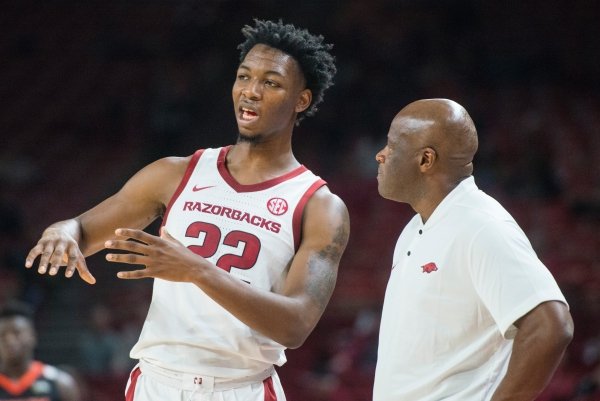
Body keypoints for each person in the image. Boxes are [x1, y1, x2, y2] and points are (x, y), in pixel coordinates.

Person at [24, 19, 349, 401]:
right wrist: (62, 231)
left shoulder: (318, 205)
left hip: (239, 388)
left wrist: (196, 269)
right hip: (156, 384)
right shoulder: (175, 173)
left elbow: (295, 326)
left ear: (302, 100)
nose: (251, 92)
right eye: (244, 77)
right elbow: (83, 229)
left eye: (271, 83)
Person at [372, 98, 574, 401]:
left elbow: (552, 326)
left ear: (426, 159)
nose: (380, 155)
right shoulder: (415, 228)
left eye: (391, 145)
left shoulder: (482, 226)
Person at [0, 300, 81, 401]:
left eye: (17, 333)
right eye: (2, 335)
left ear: (33, 336)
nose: (10, 340)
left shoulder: (60, 383)